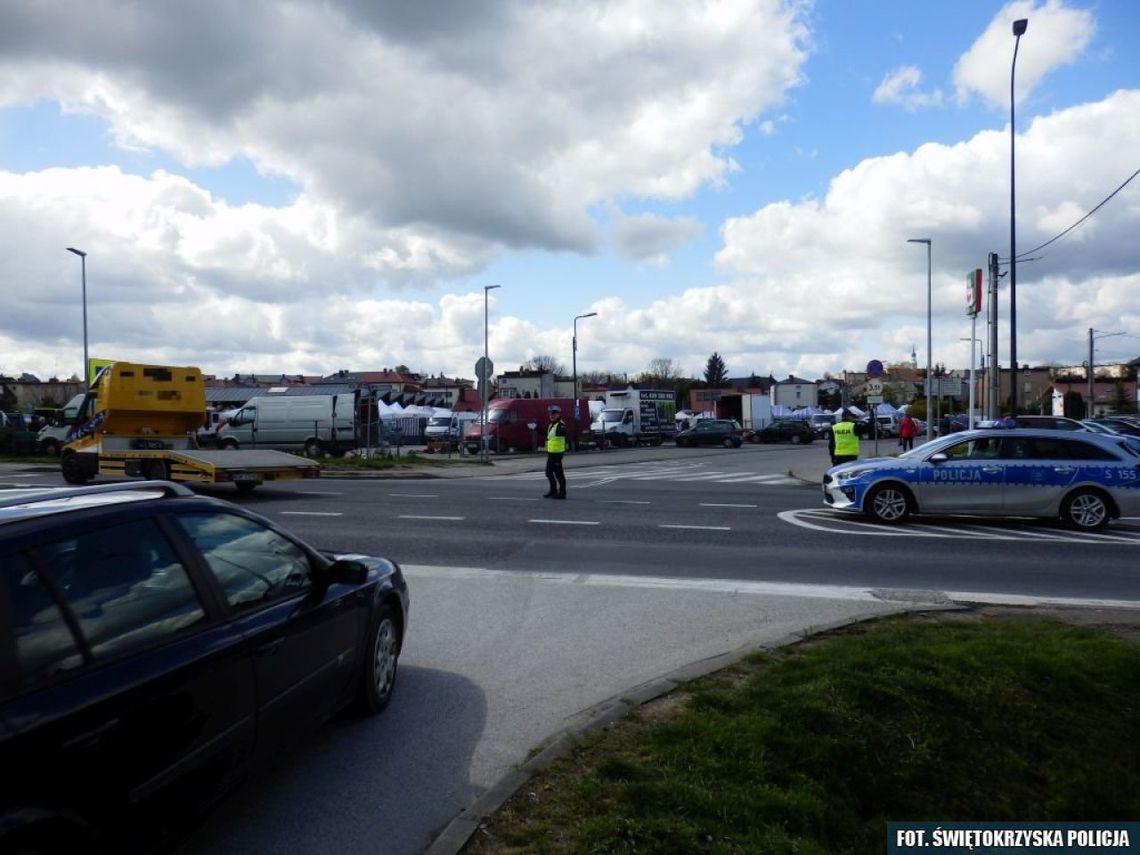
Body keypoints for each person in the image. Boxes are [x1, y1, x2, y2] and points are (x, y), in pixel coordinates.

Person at [543, 404, 568, 499]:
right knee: (548, 472)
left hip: (557, 453)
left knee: (558, 473)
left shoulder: (560, 425)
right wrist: (536, 428)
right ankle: (553, 490)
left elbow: (563, 433)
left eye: (554, 413)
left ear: (558, 414)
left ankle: (562, 493)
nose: (551, 416)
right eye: (550, 414)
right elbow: (548, 436)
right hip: (551, 453)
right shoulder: (551, 425)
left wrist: (561, 432)